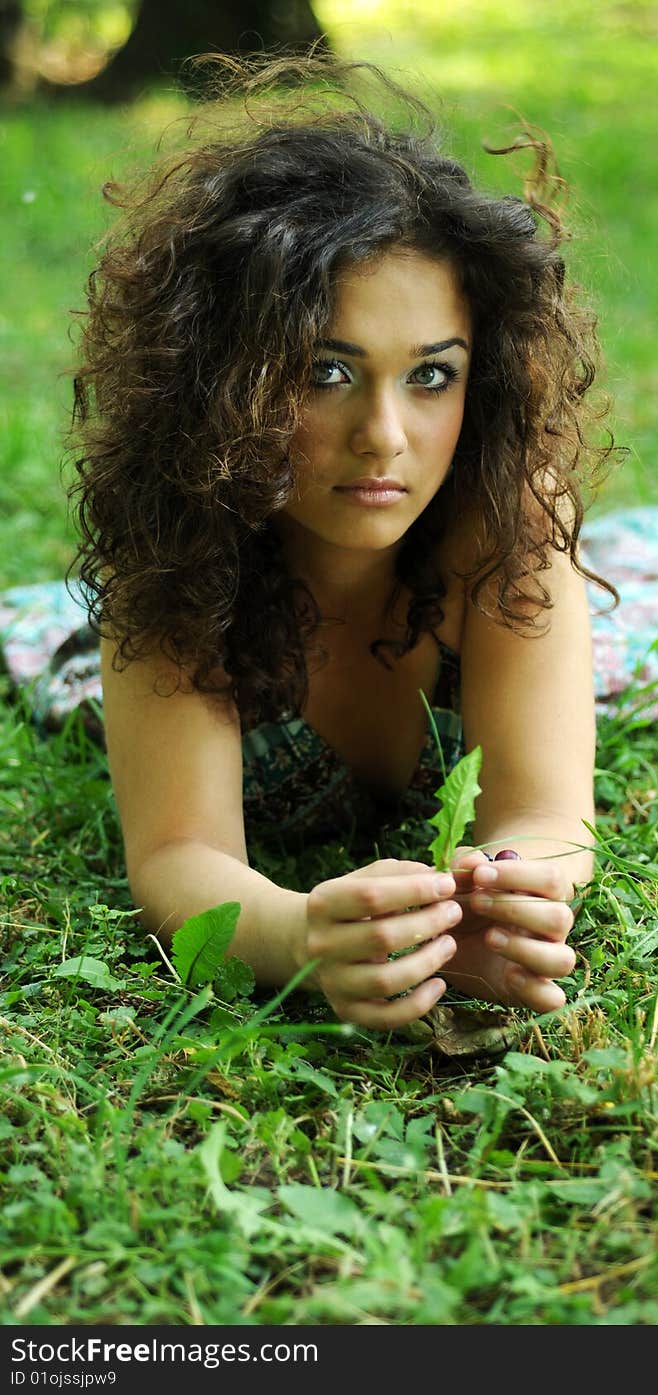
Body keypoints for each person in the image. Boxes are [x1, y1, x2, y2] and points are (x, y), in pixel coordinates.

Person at [62, 54, 619, 1031]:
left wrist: (506, 895)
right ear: (227, 378)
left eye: (431, 376)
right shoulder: (180, 549)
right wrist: (299, 938)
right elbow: (177, 854)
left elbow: (545, 813)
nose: (385, 436)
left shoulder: (509, 527)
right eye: (327, 372)